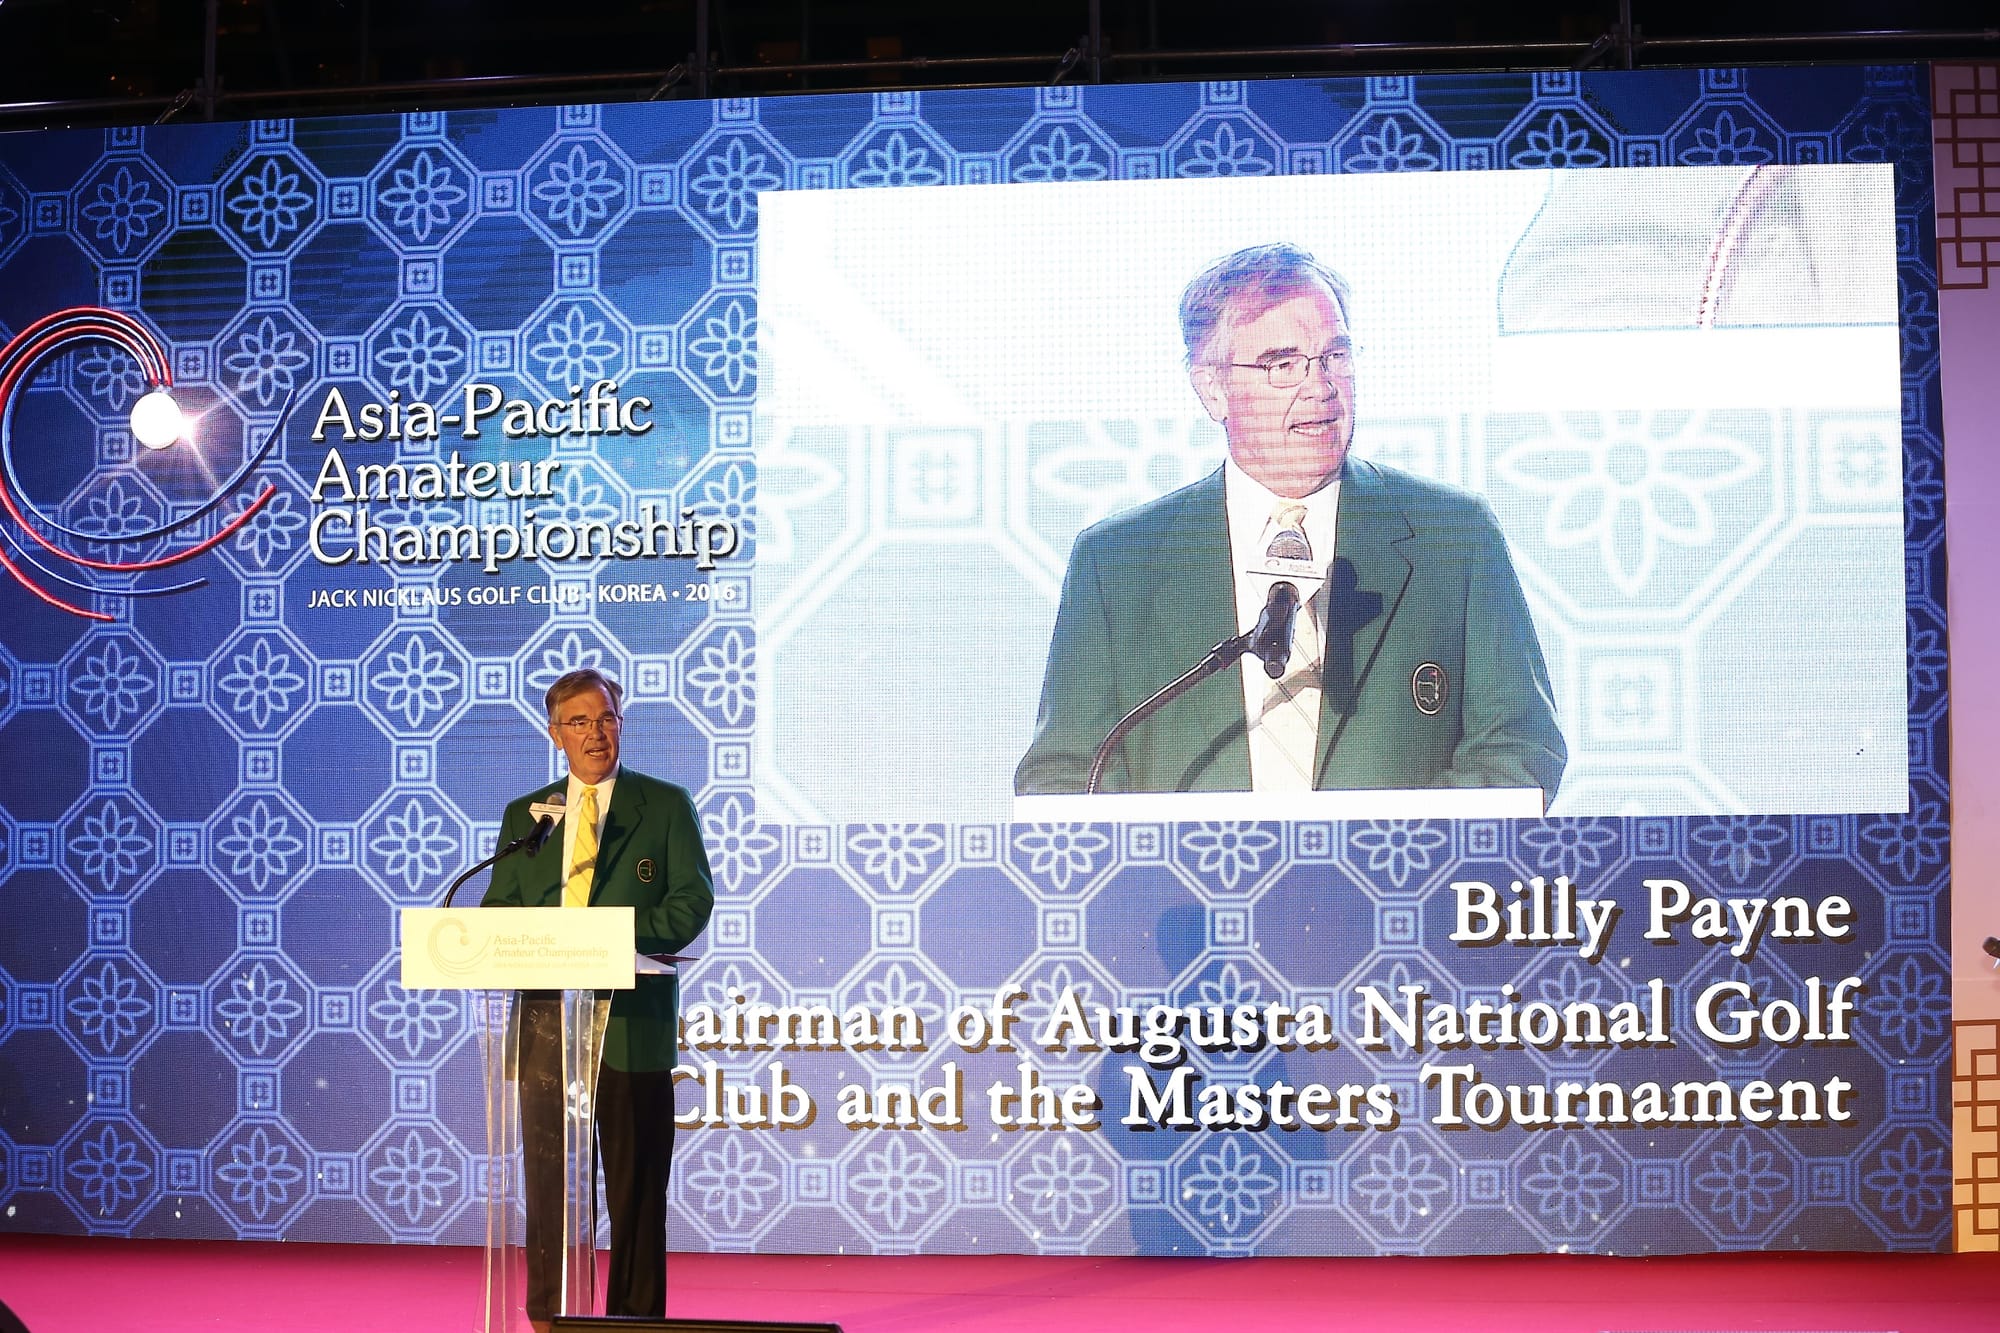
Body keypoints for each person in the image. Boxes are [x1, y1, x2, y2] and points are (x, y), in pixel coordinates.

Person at [1015, 243, 1566, 799]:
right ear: (1212, 389)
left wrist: (1395, 858)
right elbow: (1064, 775)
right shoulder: (1117, 562)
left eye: (1335, 358)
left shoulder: (1452, 536)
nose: (1320, 387)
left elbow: (1519, 749)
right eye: (1283, 366)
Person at [483, 667, 713, 1324]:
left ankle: (636, 1321)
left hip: (632, 1024)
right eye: (579, 721)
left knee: (637, 1190)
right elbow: (498, 908)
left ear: (621, 723)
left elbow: (692, 901)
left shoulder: (663, 804)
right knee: (552, 1190)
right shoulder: (528, 816)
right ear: (555, 733)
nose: (595, 733)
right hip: (546, 1027)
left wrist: (608, 935)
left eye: (606, 718)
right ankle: (552, 1319)